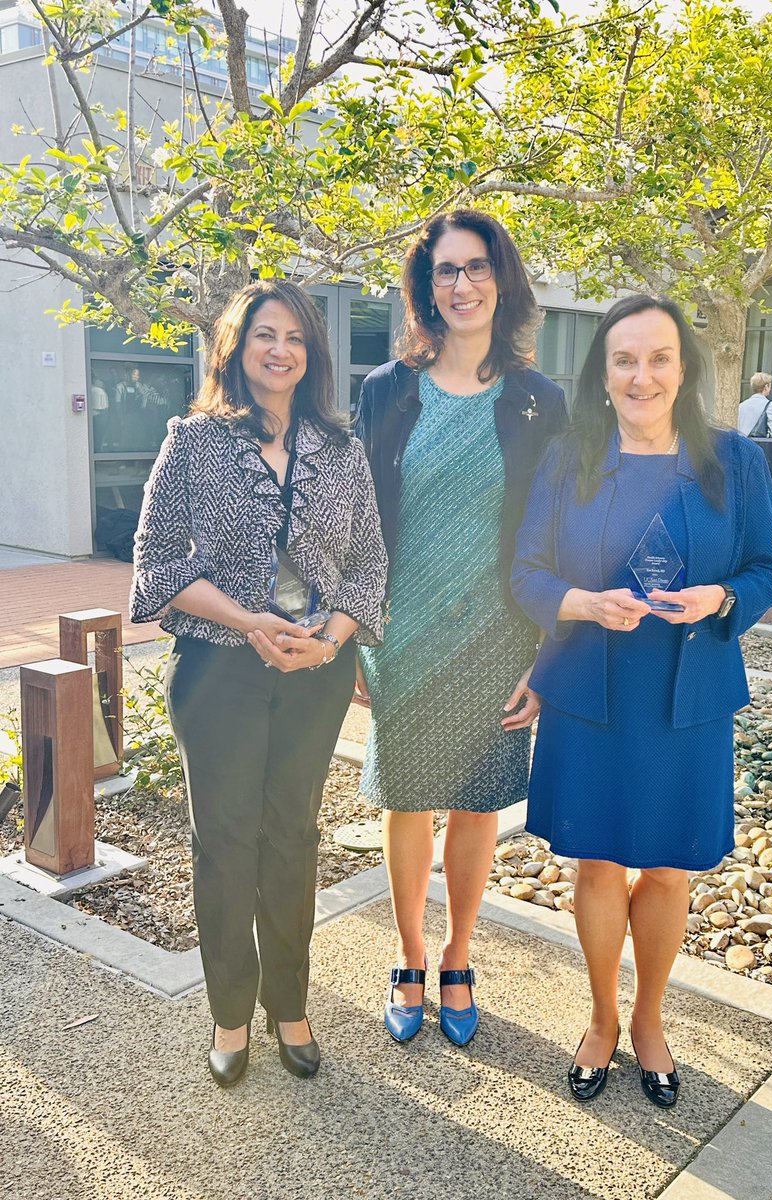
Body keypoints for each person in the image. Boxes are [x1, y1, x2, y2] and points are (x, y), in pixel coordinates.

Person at [512, 293, 772, 1108]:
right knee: (597, 861)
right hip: (592, 694)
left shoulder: (735, 463)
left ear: (685, 368)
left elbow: (767, 570)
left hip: (687, 696)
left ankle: (650, 1021)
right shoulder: (567, 460)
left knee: (668, 869)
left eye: (659, 357)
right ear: (601, 373)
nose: (642, 375)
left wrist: (720, 599)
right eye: (624, 359)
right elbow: (526, 574)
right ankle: (600, 1019)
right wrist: (586, 604)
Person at [130, 280, 387, 1087]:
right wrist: (253, 625)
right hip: (219, 673)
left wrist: (331, 639)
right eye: (264, 335)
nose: (280, 350)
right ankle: (230, 1013)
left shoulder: (342, 449)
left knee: (293, 839)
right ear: (235, 348)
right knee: (225, 845)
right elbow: (157, 566)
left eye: (296, 339)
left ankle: (291, 1007)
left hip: (316, 672)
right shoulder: (193, 442)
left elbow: (371, 562)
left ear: (312, 355)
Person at [355, 209, 567, 1047]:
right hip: (400, 632)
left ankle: (458, 953)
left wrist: (549, 651)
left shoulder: (537, 402)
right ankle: (408, 954)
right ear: (425, 288)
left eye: (477, 268)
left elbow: (558, 533)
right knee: (407, 800)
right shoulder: (387, 390)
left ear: (502, 281)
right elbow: (358, 521)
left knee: (477, 804)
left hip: (499, 636)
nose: (463, 284)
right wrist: (358, 632)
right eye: (446, 271)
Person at [737, 372, 772, 438]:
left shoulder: (741, 405)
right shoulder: (770, 405)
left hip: (742, 443)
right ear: (766, 387)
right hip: (758, 443)